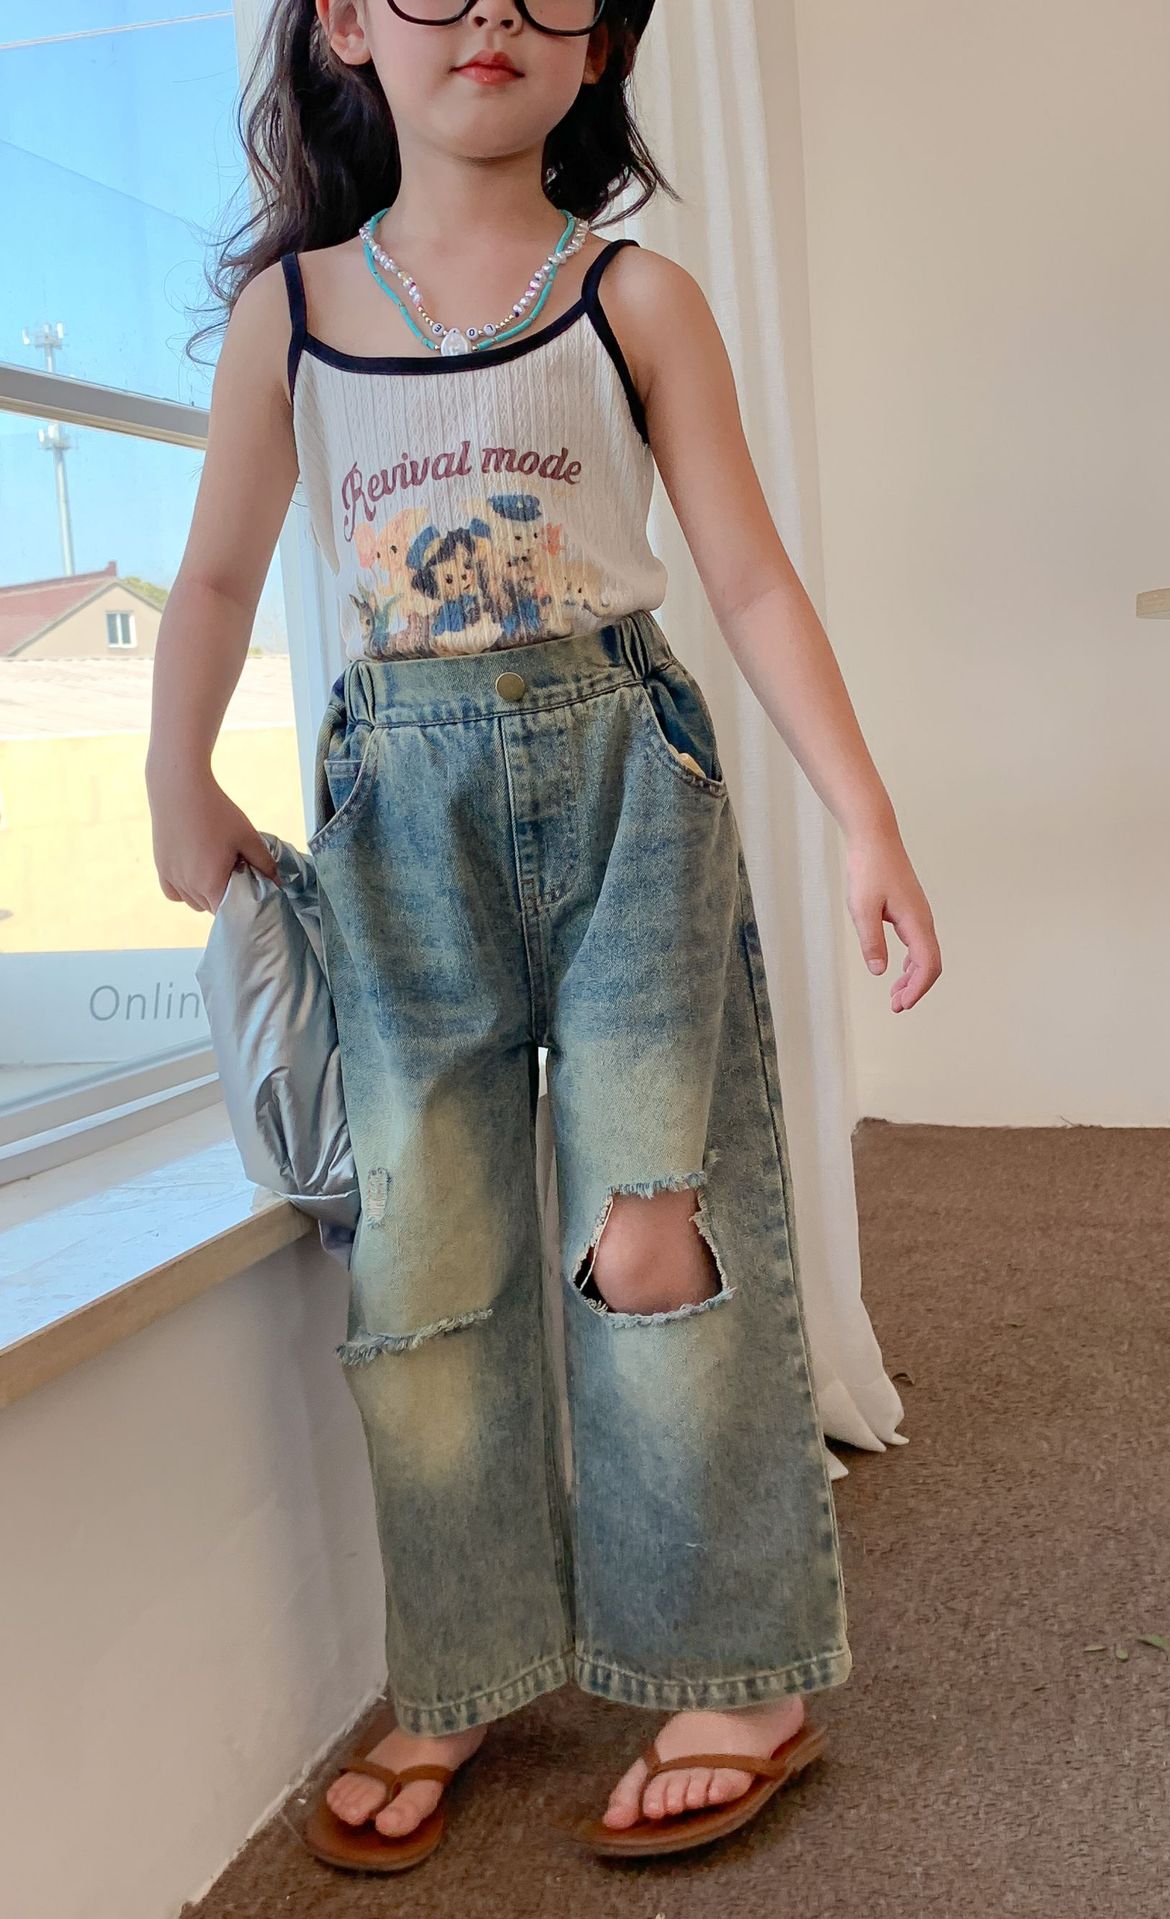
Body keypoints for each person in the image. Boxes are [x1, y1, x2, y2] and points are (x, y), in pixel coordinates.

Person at [146, 0, 941, 1870]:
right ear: (350, 24)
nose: (492, 12)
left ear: (604, 46)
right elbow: (216, 571)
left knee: (655, 1237)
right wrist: (177, 774)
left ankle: (735, 1670)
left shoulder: (634, 298)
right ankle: (470, 1660)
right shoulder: (291, 314)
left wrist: (868, 819)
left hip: (625, 787)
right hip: (397, 821)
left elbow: (748, 574)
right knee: (427, 1264)